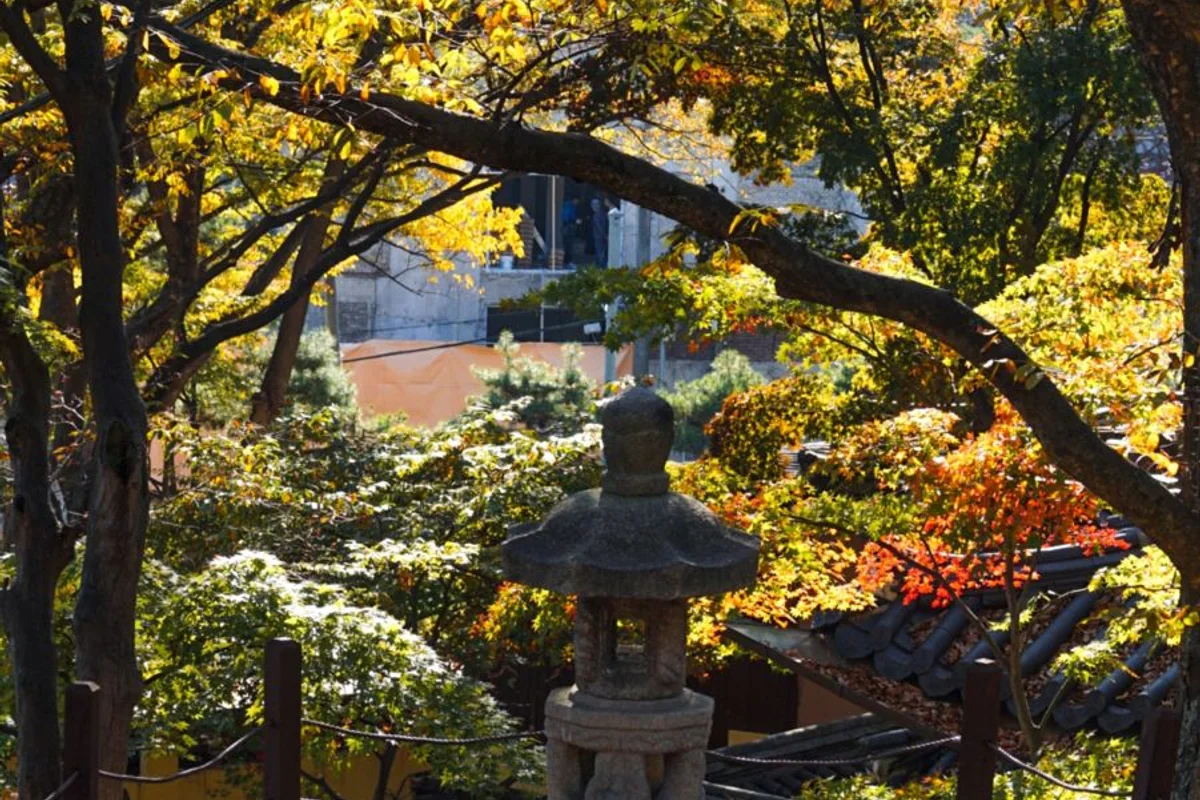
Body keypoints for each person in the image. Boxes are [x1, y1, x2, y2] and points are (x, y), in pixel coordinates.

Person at [590, 197, 609, 266]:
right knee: (599, 252)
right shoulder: (598, 214)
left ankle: (602, 266)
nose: (594, 206)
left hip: (600, 237)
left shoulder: (599, 214)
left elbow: (601, 227)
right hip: (599, 236)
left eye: (596, 204)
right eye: (592, 204)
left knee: (600, 252)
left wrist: (605, 236)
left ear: (599, 205)